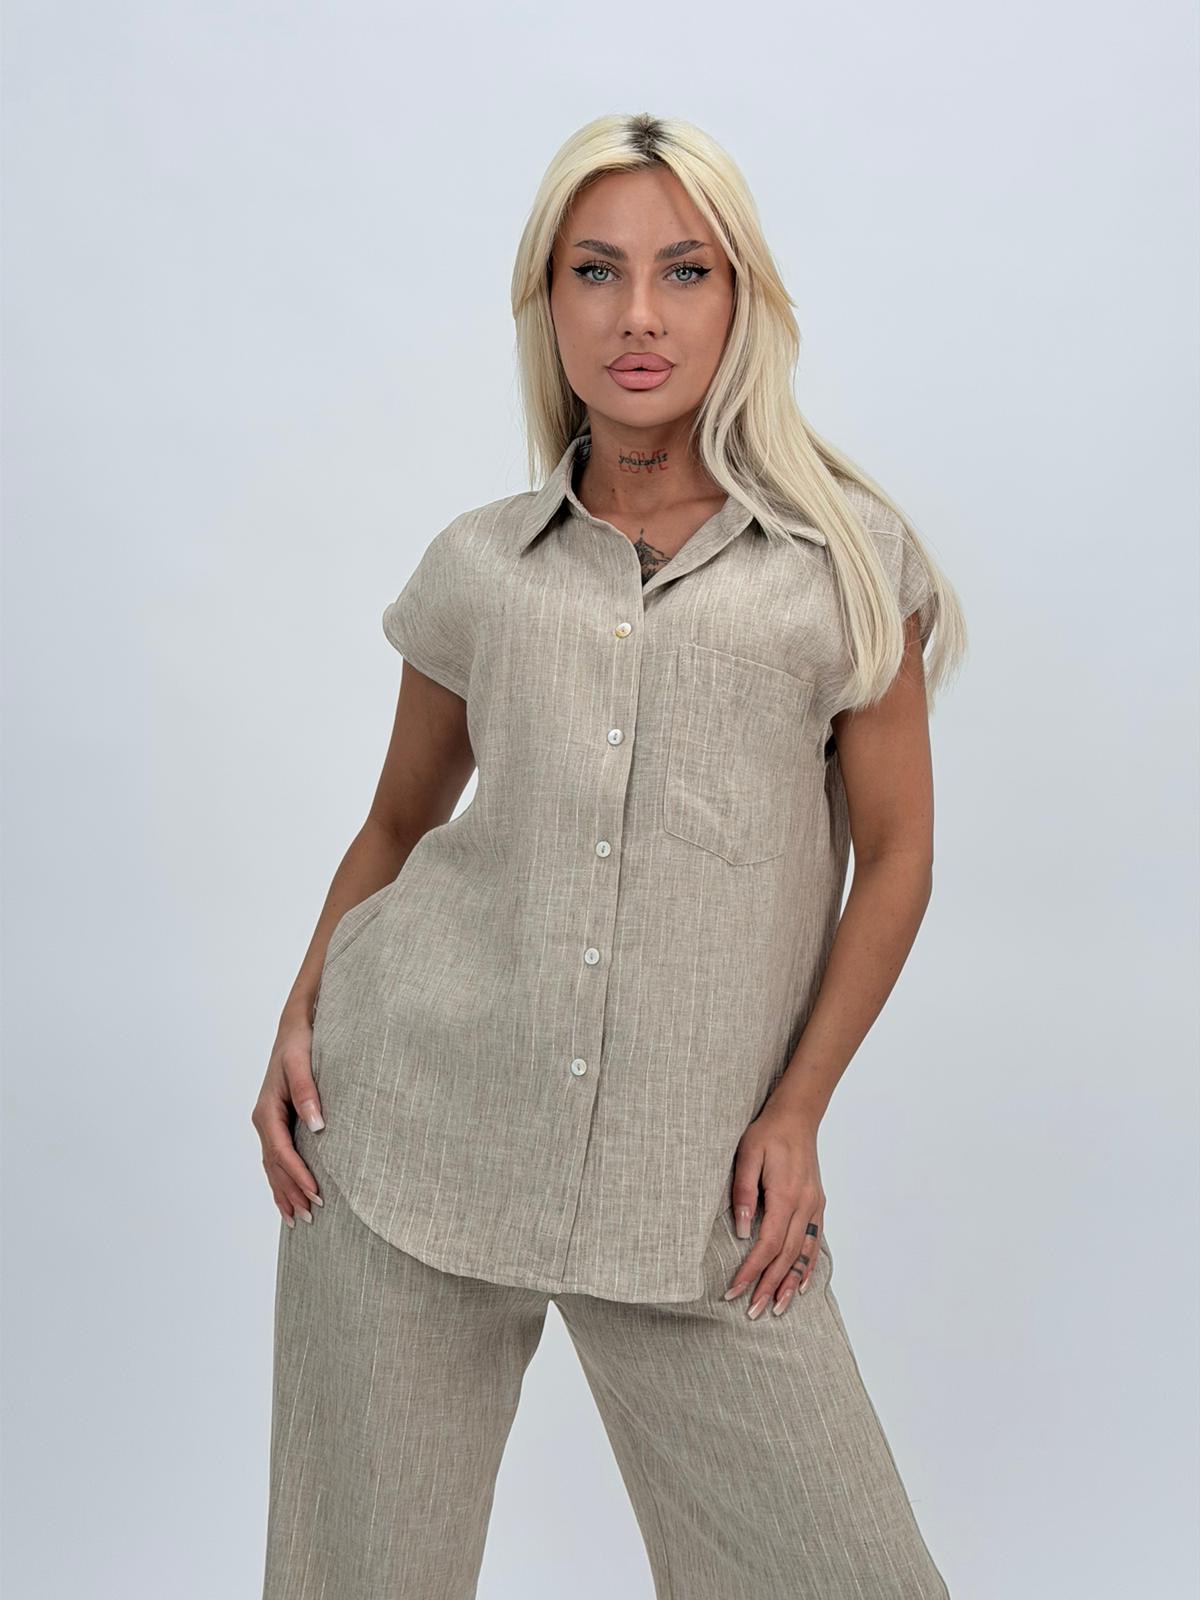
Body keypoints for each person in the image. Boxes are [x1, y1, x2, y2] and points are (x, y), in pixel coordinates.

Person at [254, 111, 965, 1600]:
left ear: (740, 296)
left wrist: (799, 1111)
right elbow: (399, 822)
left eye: (683, 271)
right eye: (597, 270)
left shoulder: (842, 567)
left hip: (698, 1194)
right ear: (549, 300)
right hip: (410, 1140)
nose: (639, 314)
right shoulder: (478, 566)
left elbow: (897, 853)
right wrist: (300, 1018)